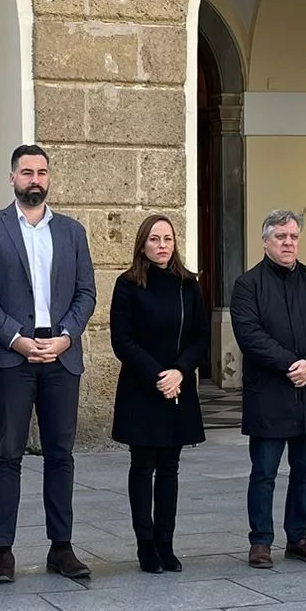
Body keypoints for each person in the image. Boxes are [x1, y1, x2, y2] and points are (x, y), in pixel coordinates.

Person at [0, 144, 98, 584]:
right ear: (12, 178)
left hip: (61, 356)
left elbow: (86, 294)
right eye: (27, 172)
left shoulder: (73, 232)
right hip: (11, 357)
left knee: (61, 455)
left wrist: (65, 337)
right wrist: (17, 339)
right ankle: (2, 551)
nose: (35, 179)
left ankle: (62, 547)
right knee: (8, 454)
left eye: (41, 172)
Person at [230, 209, 306, 570]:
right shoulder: (248, 285)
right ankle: (260, 541)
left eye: (293, 236)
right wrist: (291, 364)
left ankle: (299, 537)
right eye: (280, 237)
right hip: (270, 394)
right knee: (264, 472)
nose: (288, 243)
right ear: (265, 242)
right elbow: (250, 335)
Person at [109, 214, 208, 573]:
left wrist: (180, 371)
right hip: (142, 386)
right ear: (142, 244)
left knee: (170, 468)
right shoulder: (128, 284)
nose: (162, 246)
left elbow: (200, 336)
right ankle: (145, 544)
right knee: (143, 465)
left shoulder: (188, 284)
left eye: (168, 239)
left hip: (178, 386)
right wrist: (157, 375)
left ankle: (166, 543)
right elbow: (122, 339)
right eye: (155, 239)